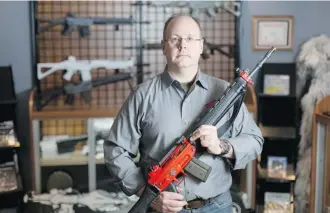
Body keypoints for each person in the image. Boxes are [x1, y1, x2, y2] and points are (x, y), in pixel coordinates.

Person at [104, 14, 264, 213]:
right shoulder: (142, 96)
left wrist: (220, 146)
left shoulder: (225, 94)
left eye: (190, 38)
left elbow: (255, 141)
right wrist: (145, 192)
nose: (183, 45)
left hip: (216, 207)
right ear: (164, 46)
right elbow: (115, 151)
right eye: (175, 39)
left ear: (201, 46)